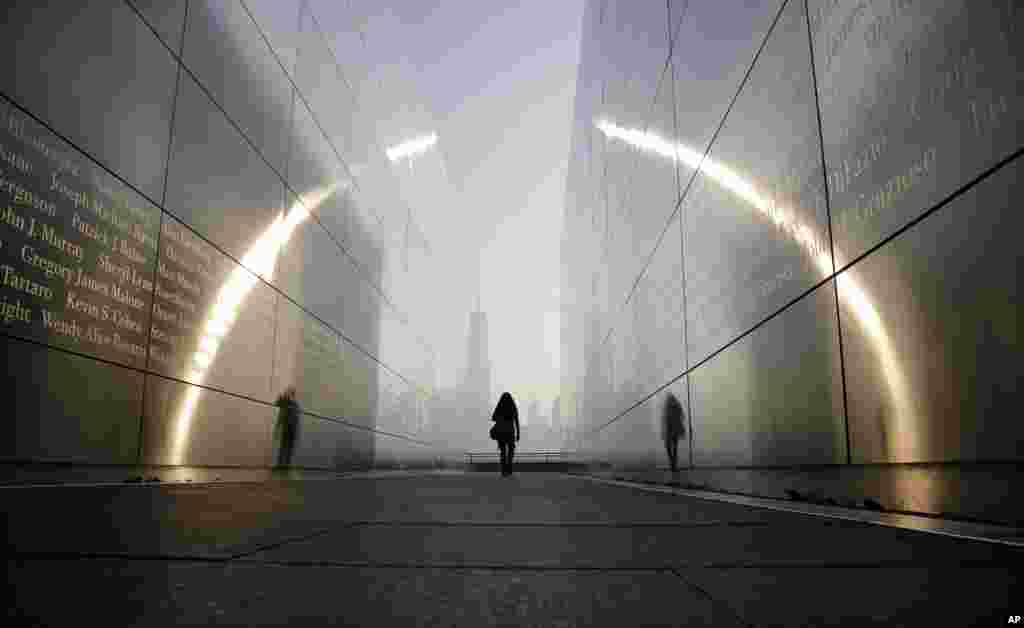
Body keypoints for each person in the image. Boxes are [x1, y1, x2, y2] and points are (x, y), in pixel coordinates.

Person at [490, 392, 520, 476]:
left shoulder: (500, 406)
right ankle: (509, 469)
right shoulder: (513, 407)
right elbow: (516, 421)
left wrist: (501, 419)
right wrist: (518, 434)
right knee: (510, 452)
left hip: (501, 433)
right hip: (510, 433)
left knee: (503, 452)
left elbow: (493, 417)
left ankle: (504, 470)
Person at [275, 387, 301, 469]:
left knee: (288, 448)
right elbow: (277, 403)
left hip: (291, 429)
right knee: (283, 447)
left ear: (292, 394)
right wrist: (282, 396)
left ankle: (286, 465)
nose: (286, 393)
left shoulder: (295, 404)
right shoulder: (285, 402)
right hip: (286, 428)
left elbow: (295, 419)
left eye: (288, 392)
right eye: (286, 391)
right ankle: (280, 465)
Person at [661, 392, 685, 472]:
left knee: (670, 448)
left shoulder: (667, 406)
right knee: (674, 448)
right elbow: (682, 416)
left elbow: (665, 420)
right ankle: (673, 464)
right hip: (674, 430)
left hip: (670, 430)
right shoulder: (676, 405)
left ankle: (673, 464)